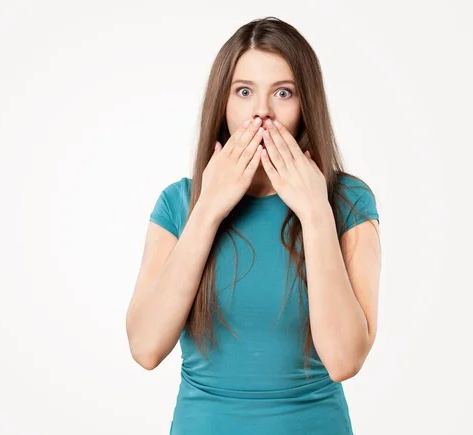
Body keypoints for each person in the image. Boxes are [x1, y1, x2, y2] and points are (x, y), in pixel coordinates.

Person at [126, 16, 381, 435]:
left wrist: (315, 212)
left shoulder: (347, 201)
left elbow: (345, 359)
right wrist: (208, 209)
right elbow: (145, 348)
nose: (262, 111)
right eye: (244, 92)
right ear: (223, 103)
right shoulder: (179, 202)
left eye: (283, 93)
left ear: (306, 105)